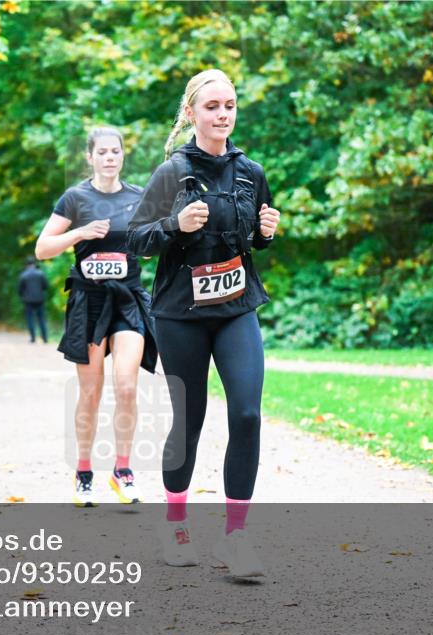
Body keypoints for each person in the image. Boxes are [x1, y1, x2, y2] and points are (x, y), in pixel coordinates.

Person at [126, 69, 281, 577]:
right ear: (191, 113)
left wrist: (265, 233)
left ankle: (236, 539)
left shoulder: (250, 172)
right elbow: (136, 239)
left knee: (247, 415)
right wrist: (174, 224)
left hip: (236, 308)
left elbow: (251, 239)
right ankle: (176, 524)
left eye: (229, 105)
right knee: (189, 420)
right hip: (180, 315)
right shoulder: (171, 172)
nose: (222, 115)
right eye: (212, 106)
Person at [36, 126, 158, 507]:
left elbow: (153, 245)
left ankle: (123, 471)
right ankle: (84, 473)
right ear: (89, 157)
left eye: (115, 151)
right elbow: (42, 248)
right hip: (89, 301)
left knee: (127, 386)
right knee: (90, 392)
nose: (109, 157)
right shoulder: (75, 198)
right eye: (101, 152)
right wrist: (80, 233)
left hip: (128, 300)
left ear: (122, 156)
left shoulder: (138, 197)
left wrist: (152, 241)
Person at [17, 257, 50, 343]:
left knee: (30, 319)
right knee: (41, 319)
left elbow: (20, 290)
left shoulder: (23, 275)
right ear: (35, 264)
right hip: (40, 299)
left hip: (28, 300)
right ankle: (45, 338)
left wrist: (23, 296)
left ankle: (33, 338)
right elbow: (46, 286)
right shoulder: (41, 274)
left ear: (26, 265)